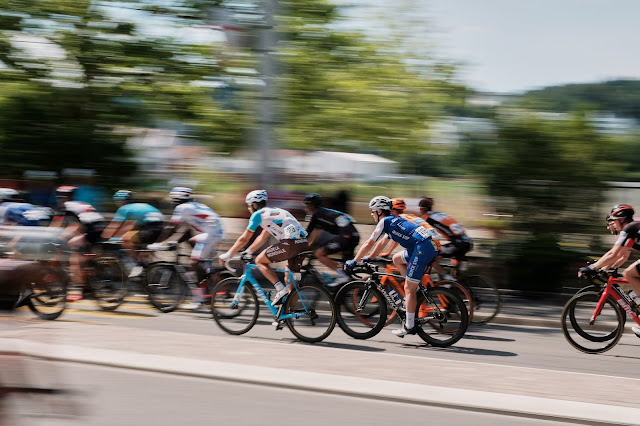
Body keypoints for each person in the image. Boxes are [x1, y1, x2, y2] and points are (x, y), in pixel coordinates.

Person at [345, 196, 439, 337]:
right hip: (424, 246)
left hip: (422, 248)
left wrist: (354, 261)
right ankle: (414, 289)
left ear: (379, 211)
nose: (372, 214)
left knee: (409, 288)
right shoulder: (394, 220)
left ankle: (409, 325)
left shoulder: (384, 221)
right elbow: (381, 243)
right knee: (396, 258)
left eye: (373, 211)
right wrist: (370, 257)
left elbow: (369, 244)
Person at [218, 190, 309, 306]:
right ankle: (288, 315)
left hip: (291, 244)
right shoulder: (272, 214)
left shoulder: (258, 214)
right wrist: (248, 251)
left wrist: (227, 255)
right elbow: (262, 238)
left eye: (249, 206)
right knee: (291, 281)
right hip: (303, 245)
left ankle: (280, 289)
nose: (248, 209)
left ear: (254, 205)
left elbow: (244, 239)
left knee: (260, 260)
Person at [150, 187, 224, 306]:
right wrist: (175, 242)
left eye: (173, 200)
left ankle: (202, 297)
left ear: (177, 199)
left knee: (194, 263)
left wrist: (158, 243)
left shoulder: (182, 208)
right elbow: (185, 230)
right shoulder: (192, 207)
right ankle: (206, 271)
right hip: (213, 233)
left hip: (211, 234)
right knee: (195, 253)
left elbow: (170, 227)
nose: (173, 203)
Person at [578, 204, 640, 337]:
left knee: (628, 274)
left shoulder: (629, 228)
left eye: (612, 220)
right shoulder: (633, 228)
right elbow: (619, 254)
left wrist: (591, 268)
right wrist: (604, 268)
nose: (610, 225)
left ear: (621, 219)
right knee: (631, 275)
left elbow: (613, 254)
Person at [50, 186, 106, 298]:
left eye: (60, 197)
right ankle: (90, 275)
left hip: (90, 229)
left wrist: (56, 237)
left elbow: (56, 226)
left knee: (73, 256)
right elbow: (78, 225)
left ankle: (82, 288)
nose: (60, 200)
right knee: (83, 253)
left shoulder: (65, 206)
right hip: (100, 228)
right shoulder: (80, 204)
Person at [101, 190, 164, 278]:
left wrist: (104, 237)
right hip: (160, 228)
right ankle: (149, 268)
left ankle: (135, 264)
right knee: (139, 246)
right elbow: (131, 226)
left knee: (126, 239)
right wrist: (116, 236)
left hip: (150, 228)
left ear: (119, 201)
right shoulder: (136, 207)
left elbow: (115, 225)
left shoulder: (124, 208)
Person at [302, 193, 358, 287]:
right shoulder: (323, 213)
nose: (305, 208)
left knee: (319, 253)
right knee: (346, 269)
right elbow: (316, 233)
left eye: (307, 206)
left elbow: (307, 234)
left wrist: (301, 248)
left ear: (312, 206)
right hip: (354, 236)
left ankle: (343, 276)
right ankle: (345, 290)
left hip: (346, 237)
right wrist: (308, 246)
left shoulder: (316, 215)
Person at [418, 196, 473, 279]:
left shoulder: (427, 219)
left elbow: (429, 235)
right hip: (467, 241)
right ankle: (456, 283)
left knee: (429, 255)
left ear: (422, 209)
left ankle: (446, 277)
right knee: (454, 264)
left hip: (458, 244)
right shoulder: (438, 214)